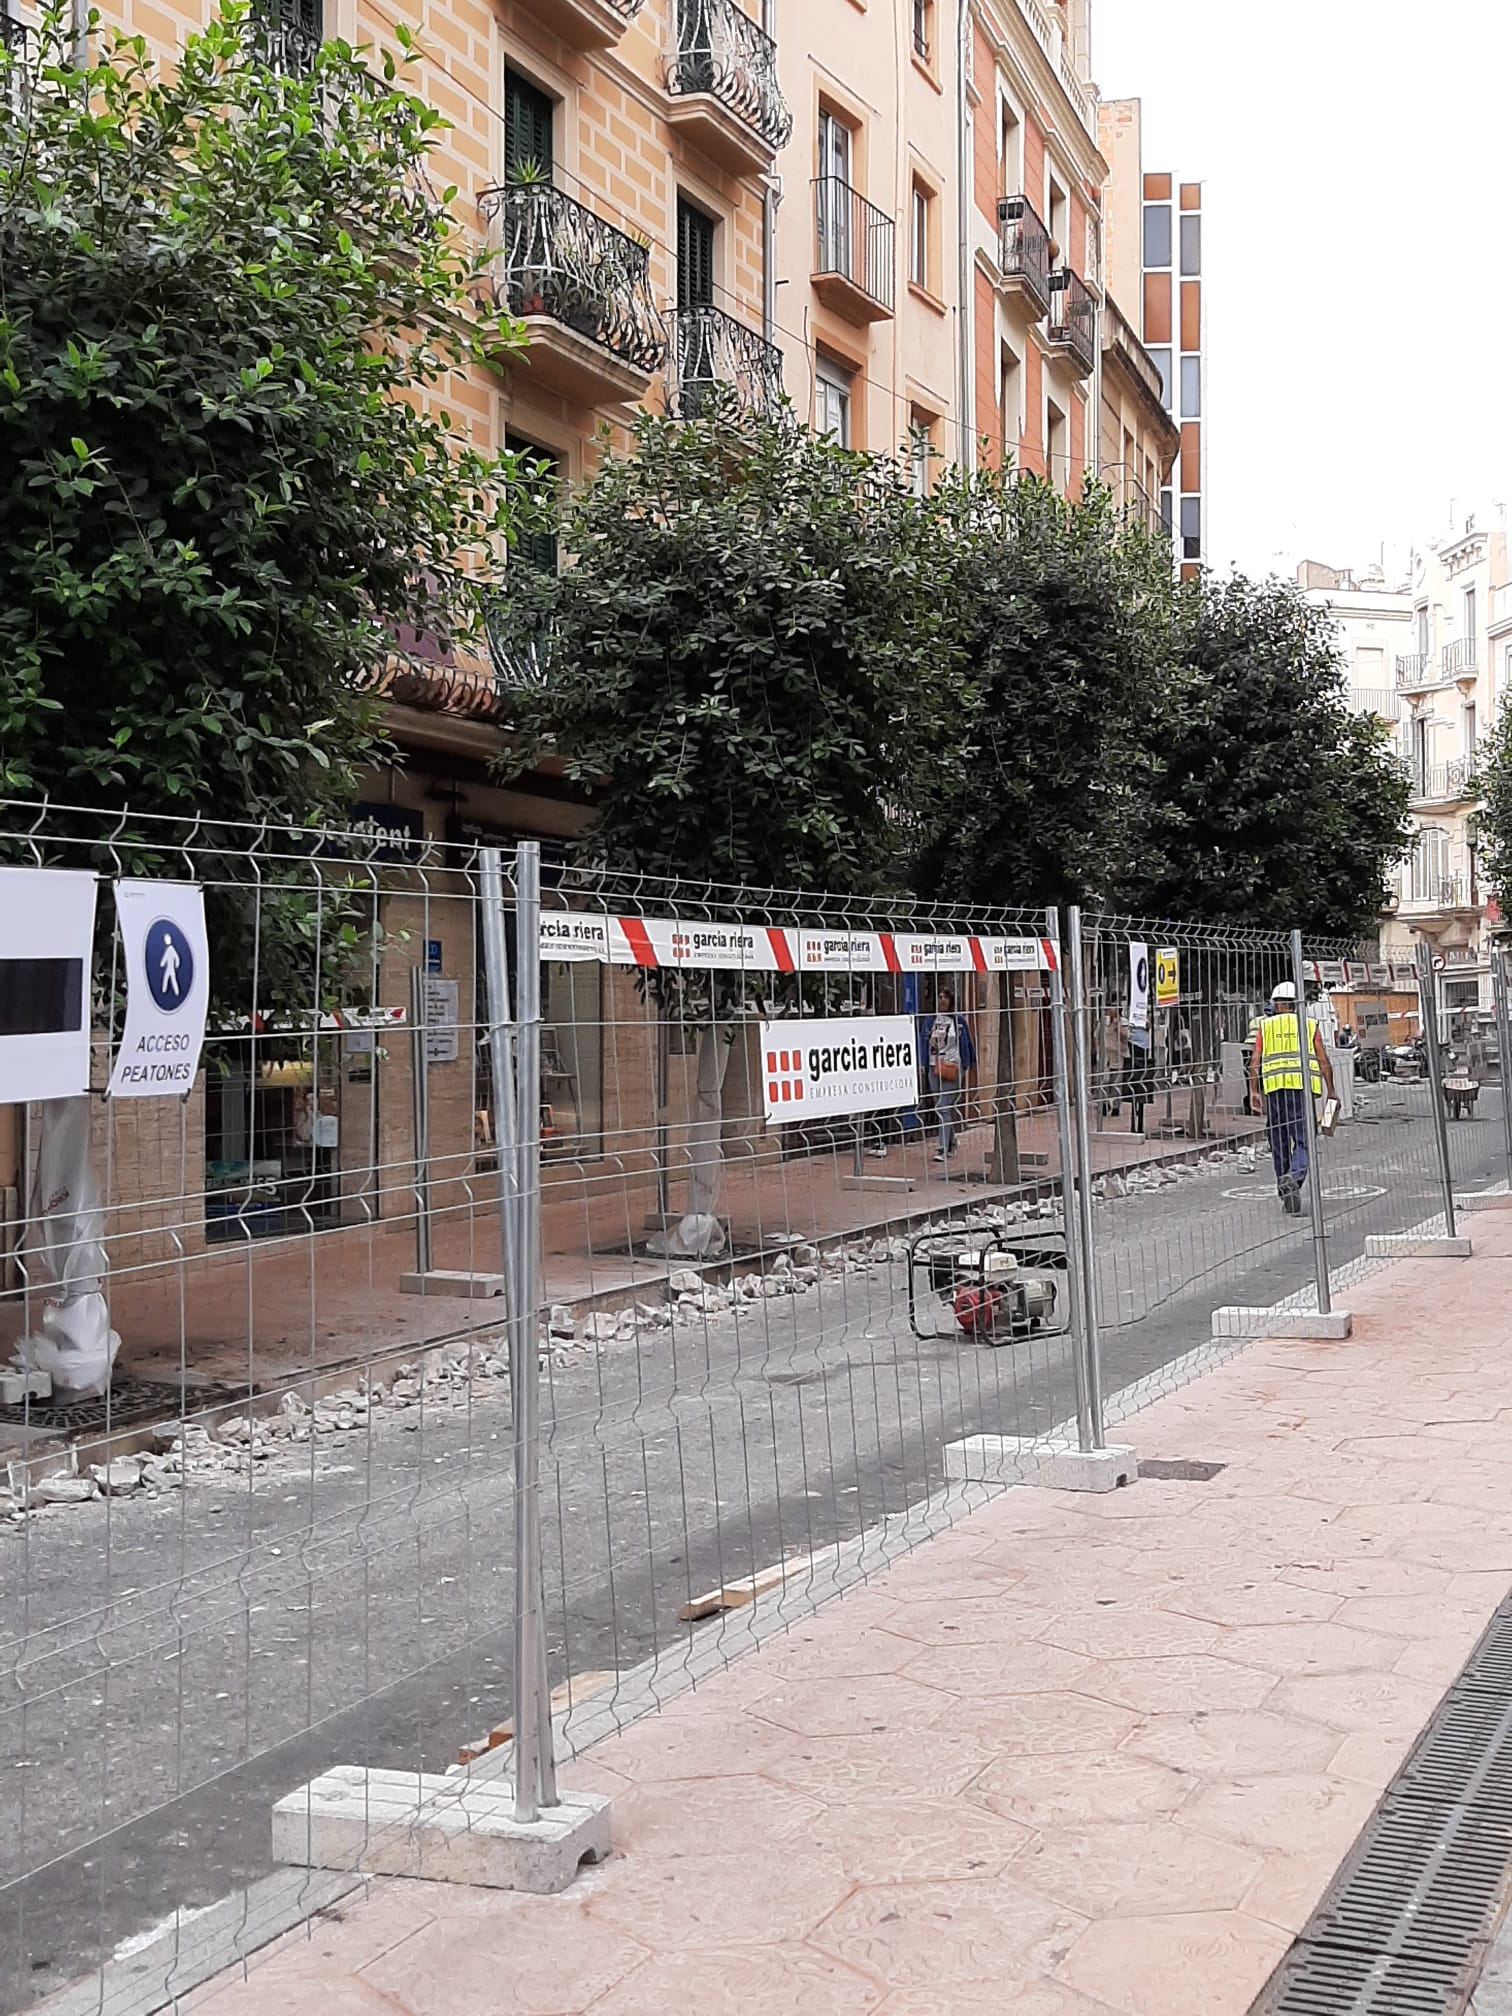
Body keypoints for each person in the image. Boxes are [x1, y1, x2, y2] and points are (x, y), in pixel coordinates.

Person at [1249, 981, 1337, 1215]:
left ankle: (1283, 1183)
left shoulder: (1265, 1027)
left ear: (1277, 1003)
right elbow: (1322, 1060)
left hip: (1275, 1090)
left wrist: (1254, 1091)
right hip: (1301, 1090)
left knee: (1278, 1141)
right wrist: (1332, 1090)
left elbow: (1254, 1061)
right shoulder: (1308, 1025)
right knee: (1304, 1139)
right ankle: (1294, 1177)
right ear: (1296, 1003)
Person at [926, 986, 976, 1163]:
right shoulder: (930, 1020)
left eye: (945, 997)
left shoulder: (959, 1021)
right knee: (941, 1107)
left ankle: (942, 1147)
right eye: (939, 997)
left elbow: (968, 1045)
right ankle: (952, 1141)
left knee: (943, 1106)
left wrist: (967, 1066)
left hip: (952, 1066)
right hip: (934, 1066)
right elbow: (923, 1040)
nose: (942, 1000)